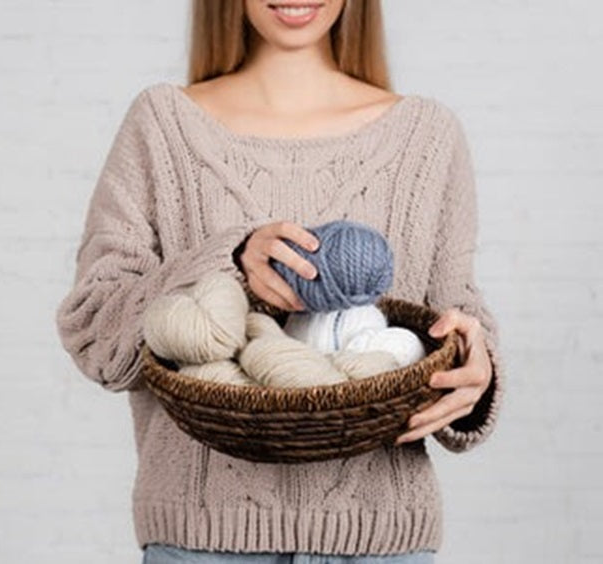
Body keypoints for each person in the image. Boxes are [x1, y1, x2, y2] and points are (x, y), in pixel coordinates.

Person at [54, 0, 504, 562]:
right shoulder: (162, 126)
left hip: (381, 542)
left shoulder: (427, 137)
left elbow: (453, 311)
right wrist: (230, 258)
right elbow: (97, 334)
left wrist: (475, 362)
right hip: (203, 541)